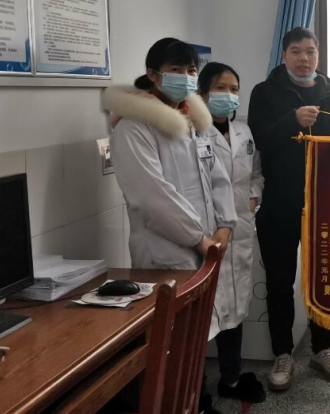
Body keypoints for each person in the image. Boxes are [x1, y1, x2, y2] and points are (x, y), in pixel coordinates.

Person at [104, 38, 237, 414]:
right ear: (153, 75)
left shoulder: (195, 122)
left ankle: (196, 403)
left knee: (195, 339)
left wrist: (225, 226)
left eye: (191, 70)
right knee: (170, 345)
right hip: (166, 254)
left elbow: (218, 177)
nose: (186, 77)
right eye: (175, 70)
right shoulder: (134, 128)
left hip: (207, 249)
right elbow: (151, 195)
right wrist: (200, 240)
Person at [248, 27, 330, 391]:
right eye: (296, 51)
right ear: (284, 55)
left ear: (318, 55)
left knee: (324, 278)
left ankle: (323, 349)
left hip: (325, 204)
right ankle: (283, 353)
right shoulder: (264, 92)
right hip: (278, 202)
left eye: (310, 51)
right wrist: (292, 120)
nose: (304, 58)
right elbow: (258, 140)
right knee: (279, 281)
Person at [198, 62, 266, 404]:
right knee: (204, 311)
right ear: (203, 93)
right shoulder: (193, 133)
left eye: (234, 89)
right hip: (208, 235)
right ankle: (194, 388)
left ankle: (231, 377)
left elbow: (255, 173)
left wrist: (254, 196)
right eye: (220, 88)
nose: (228, 95)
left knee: (236, 306)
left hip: (241, 229)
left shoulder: (244, 131)